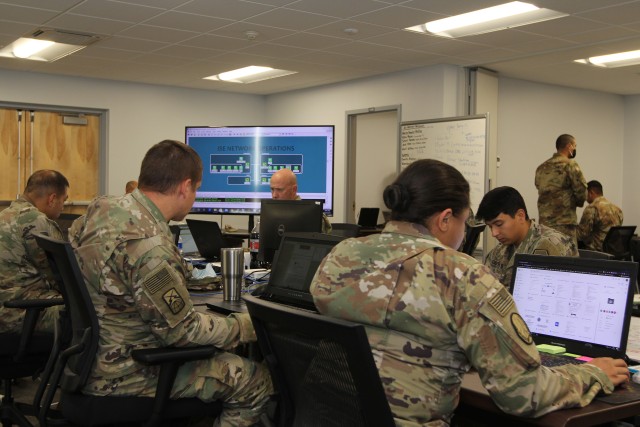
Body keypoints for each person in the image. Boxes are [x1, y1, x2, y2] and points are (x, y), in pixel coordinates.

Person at [310, 159, 628, 426]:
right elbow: (523, 392)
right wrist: (592, 373)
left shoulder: (341, 255)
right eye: (466, 223)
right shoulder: (461, 274)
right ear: (446, 219)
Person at [70, 140, 273, 427]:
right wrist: (246, 326)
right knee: (254, 378)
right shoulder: (149, 246)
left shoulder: (102, 208)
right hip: (126, 374)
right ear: (185, 186)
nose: (195, 196)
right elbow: (182, 333)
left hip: (86, 359)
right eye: (197, 189)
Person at [0, 169, 69, 333]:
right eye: (63, 200)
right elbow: (64, 279)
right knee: (91, 312)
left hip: (6, 309)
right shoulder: (37, 221)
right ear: (52, 199)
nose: (63, 207)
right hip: (21, 314)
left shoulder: (4, 215)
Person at [476, 186, 578, 286]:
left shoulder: (550, 245)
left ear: (520, 216)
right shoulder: (499, 251)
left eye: (499, 224)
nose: (494, 233)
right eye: (490, 227)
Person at [535, 134, 587, 245]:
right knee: (568, 259)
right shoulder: (570, 165)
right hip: (565, 224)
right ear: (569, 146)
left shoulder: (541, 168)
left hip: (545, 225)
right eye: (575, 146)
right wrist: (577, 202)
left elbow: (538, 186)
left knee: (548, 256)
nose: (575, 149)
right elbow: (582, 193)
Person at [269, 168, 332, 233]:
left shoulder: (313, 215)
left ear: (294, 189)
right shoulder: (271, 213)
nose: (274, 195)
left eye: (279, 190)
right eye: (272, 189)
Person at [577, 180, 624, 252]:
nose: (585, 197)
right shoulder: (617, 209)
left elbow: (582, 235)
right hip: (613, 252)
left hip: (596, 252)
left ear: (590, 193)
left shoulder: (592, 208)